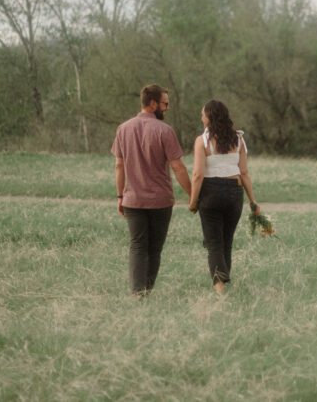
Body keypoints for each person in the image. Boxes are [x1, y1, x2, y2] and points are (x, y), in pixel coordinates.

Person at [112, 84, 192, 296]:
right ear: (153, 103)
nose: (167, 107)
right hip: (160, 201)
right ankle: (147, 289)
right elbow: (178, 167)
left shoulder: (123, 129)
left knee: (137, 246)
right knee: (154, 248)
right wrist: (193, 194)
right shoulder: (165, 131)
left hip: (132, 200)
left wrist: (120, 196)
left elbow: (119, 166)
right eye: (165, 103)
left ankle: (137, 292)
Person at [187, 99, 261, 294]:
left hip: (211, 192)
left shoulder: (202, 141)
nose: (201, 117)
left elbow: (197, 175)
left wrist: (193, 201)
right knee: (226, 241)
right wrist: (253, 201)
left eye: (203, 114)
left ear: (209, 117)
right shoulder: (239, 139)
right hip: (234, 192)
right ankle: (225, 283)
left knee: (214, 243)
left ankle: (220, 288)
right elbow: (244, 172)